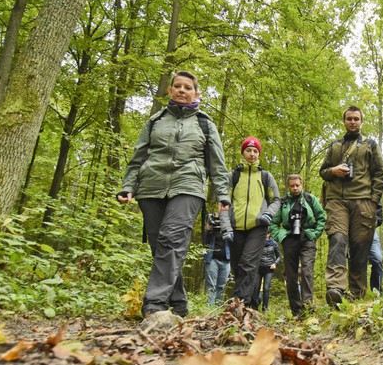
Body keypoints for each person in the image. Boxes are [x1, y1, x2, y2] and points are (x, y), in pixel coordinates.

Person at [118, 70, 229, 318]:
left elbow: (217, 164)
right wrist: (128, 186)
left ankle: (155, 304)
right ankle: (178, 301)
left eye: (187, 87)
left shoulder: (204, 123)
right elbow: (138, 158)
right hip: (151, 187)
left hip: (189, 186)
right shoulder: (155, 121)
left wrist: (223, 194)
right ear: (169, 91)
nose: (181, 90)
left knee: (172, 239)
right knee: (160, 246)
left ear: (196, 93)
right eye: (177, 86)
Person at [319, 106, 383, 306]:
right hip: (337, 201)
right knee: (337, 239)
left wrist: (373, 201)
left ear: (361, 122)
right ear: (344, 121)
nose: (352, 122)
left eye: (356, 119)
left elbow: (379, 174)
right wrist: (334, 171)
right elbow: (323, 172)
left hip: (364, 202)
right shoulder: (335, 145)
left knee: (360, 248)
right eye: (349, 118)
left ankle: (357, 296)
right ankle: (336, 288)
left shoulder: (370, 145)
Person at [228, 137, 281, 309]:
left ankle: (239, 304)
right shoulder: (233, 176)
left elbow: (277, 200)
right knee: (238, 267)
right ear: (242, 152)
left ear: (259, 154)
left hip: (258, 226)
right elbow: (223, 202)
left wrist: (268, 214)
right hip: (236, 227)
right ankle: (251, 304)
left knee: (248, 264)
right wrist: (225, 225)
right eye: (248, 150)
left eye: (255, 151)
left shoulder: (266, 176)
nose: (252, 154)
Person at [269, 174, 327, 317]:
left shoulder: (309, 199)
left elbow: (322, 217)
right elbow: (273, 223)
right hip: (289, 239)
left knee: (307, 270)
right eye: (292, 186)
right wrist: (281, 237)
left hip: (307, 238)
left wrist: (314, 234)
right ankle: (296, 309)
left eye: (297, 185)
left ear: (302, 185)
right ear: (288, 186)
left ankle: (308, 306)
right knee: (291, 275)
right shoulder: (283, 202)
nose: (295, 188)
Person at [203, 211, 230, 306]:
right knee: (211, 285)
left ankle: (219, 307)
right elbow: (205, 242)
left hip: (226, 260)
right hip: (212, 259)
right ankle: (210, 307)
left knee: (222, 286)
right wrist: (208, 229)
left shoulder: (228, 229)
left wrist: (226, 227)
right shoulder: (211, 231)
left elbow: (233, 240)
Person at [255, 232, 280, 311]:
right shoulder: (258, 242)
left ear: (270, 234)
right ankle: (254, 307)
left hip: (269, 269)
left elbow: (279, 256)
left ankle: (264, 308)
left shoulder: (274, 244)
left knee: (266, 288)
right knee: (256, 288)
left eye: (267, 233)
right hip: (259, 268)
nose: (266, 234)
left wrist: (275, 263)